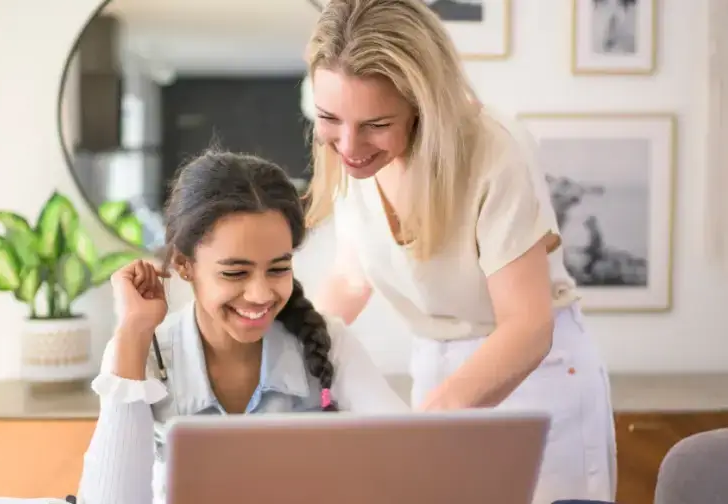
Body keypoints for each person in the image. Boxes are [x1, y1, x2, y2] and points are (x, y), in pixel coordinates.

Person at [303, 0, 616, 502]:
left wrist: (425, 427)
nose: (348, 145)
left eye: (377, 124)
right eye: (329, 118)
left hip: (531, 374)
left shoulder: (495, 150)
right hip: (435, 368)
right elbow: (351, 278)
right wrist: (287, 345)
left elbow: (527, 326)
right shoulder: (349, 150)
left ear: (422, 105)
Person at [77, 150, 410, 504]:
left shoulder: (330, 343)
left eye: (278, 268)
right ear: (184, 265)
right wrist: (133, 332)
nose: (261, 293)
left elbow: (413, 462)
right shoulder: (142, 351)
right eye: (235, 272)